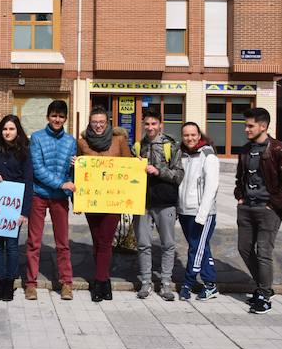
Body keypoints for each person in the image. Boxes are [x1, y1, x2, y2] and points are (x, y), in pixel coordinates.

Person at [234, 107, 282, 314]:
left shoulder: (278, 149)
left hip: (268, 210)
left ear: (263, 126)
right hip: (247, 208)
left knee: (263, 252)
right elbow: (240, 177)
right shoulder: (245, 150)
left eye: (250, 126)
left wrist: (273, 205)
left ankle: (264, 296)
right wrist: (240, 196)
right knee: (244, 249)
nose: (246, 129)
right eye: (246, 125)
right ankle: (264, 286)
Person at [76, 107, 132, 302]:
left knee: (105, 241)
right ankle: (103, 278)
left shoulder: (119, 140)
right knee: (97, 240)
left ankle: (101, 282)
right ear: (89, 123)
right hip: (91, 200)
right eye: (94, 122)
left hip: (113, 200)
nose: (98, 125)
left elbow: (129, 166)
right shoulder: (82, 143)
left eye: (101, 122)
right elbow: (77, 172)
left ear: (107, 122)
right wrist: (75, 164)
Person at [27, 101, 77, 301]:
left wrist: (76, 167)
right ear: (47, 117)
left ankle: (66, 283)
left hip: (60, 198)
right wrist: (61, 184)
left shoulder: (71, 141)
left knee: (63, 242)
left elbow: (72, 174)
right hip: (38, 194)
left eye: (61, 116)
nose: (57, 119)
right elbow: (37, 168)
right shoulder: (37, 138)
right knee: (34, 242)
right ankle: (31, 284)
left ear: (65, 119)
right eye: (54, 115)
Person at [133, 108, 184, 301]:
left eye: (154, 123)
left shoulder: (171, 145)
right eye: (147, 124)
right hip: (142, 203)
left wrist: (158, 171)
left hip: (165, 202)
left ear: (160, 124)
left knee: (168, 244)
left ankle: (165, 284)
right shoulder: (137, 147)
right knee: (143, 244)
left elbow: (179, 175)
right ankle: (146, 282)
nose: (150, 127)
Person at [0, 115, 33, 302]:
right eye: (5, 129)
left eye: (11, 129)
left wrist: (24, 211)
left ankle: (9, 284)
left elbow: (28, 180)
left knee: (12, 246)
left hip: (15, 204)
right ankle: (0, 283)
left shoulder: (24, 151)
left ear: (17, 131)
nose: (7, 132)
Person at [177, 122, 220, 301]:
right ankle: (210, 285)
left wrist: (203, 214)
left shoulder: (208, 155)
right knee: (201, 248)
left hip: (202, 212)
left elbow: (211, 187)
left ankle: (188, 283)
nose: (190, 138)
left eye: (193, 135)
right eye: (186, 135)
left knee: (195, 249)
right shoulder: (181, 154)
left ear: (199, 135)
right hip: (184, 211)